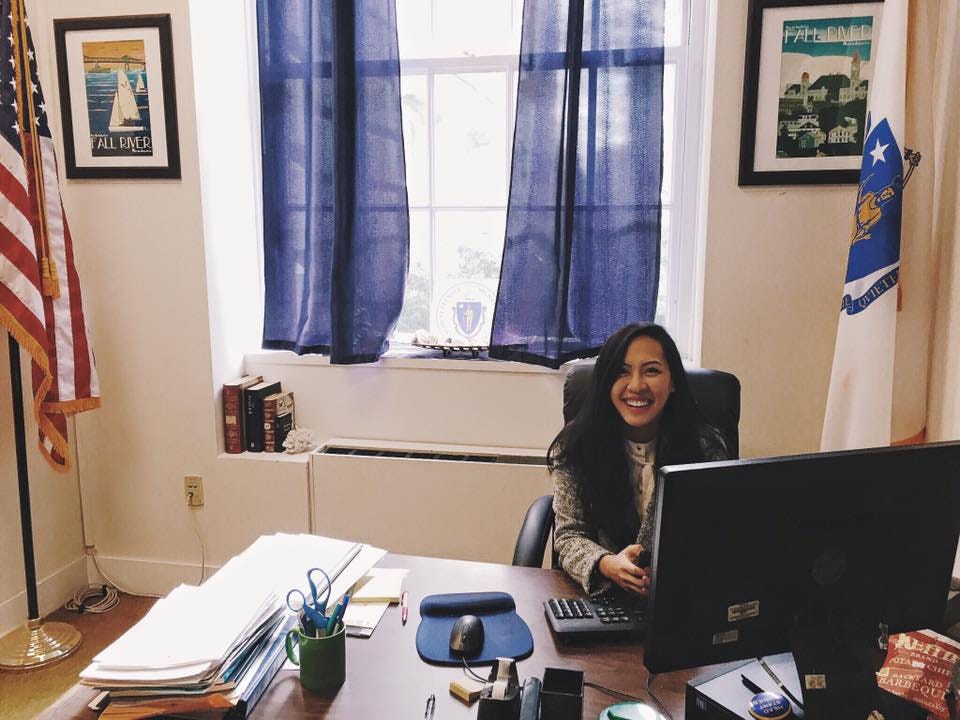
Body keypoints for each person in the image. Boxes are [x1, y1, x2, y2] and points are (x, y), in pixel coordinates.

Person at [548, 322, 729, 597]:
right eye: (622, 372)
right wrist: (607, 564)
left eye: (652, 371)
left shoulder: (705, 448)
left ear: (673, 383)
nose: (636, 386)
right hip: (601, 598)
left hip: (680, 598)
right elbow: (569, 535)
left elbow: (717, 535)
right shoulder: (577, 444)